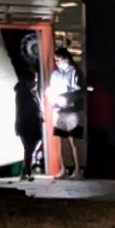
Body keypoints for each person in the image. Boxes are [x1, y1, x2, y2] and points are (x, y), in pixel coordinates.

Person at [48, 43, 84, 178]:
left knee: (74, 141)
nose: (57, 62)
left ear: (66, 59)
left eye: (59, 59)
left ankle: (78, 169)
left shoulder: (74, 71)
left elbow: (79, 90)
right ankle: (63, 169)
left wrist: (67, 97)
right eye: (55, 60)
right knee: (61, 141)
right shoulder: (55, 74)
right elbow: (52, 89)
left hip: (72, 111)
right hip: (58, 110)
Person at [13, 32, 45, 180]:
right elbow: (28, 111)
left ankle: (26, 171)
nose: (36, 85)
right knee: (29, 149)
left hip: (26, 126)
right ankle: (26, 172)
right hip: (28, 126)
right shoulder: (25, 95)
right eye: (34, 82)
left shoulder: (24, 93)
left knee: (29, 149)